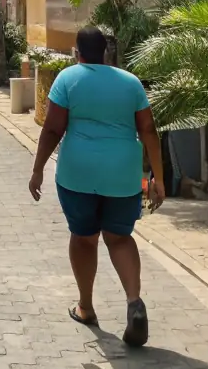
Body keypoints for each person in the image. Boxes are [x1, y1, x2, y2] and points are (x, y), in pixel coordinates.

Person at [28, 26, 165, 348]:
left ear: (78, 52)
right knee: (119, 238)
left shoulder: (68, 79)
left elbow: (52, 129)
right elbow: (148, 129)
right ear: (105, 52)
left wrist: (37, 171)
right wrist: (158, 178)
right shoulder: (130, 83)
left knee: (84, 238)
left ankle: (86, 307)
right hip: (123, 175)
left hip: (78, 174)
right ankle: (134, 302)